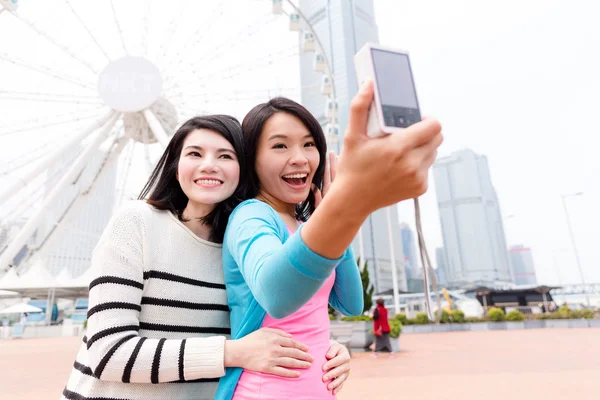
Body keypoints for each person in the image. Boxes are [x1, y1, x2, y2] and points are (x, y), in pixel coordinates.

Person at [61, 115, 352, 400]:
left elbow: (256, 328)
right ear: (176, 167)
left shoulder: (241, 244)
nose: (209, 165)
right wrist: (232, 353)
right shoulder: (136, 223)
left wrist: (323, 349)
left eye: (225, 156)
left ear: (244, 170)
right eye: (195, 153)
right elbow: (107, 352)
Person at [216, 80, 442, 399]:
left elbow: (351, 303)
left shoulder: (306, 223)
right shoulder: (252, 215)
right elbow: (276, 295)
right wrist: (344, 207)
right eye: (280, 146)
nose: (300, 158)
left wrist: (330, 219)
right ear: (251, 158)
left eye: (309, 145)